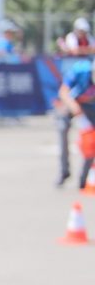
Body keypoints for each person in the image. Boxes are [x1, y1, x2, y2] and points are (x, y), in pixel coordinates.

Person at [54, 56, 95, 188]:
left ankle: (84, 176)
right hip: (72, 103)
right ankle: (64, 170)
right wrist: (74, 108)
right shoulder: (80, 69)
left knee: (91, 140)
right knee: (62, 127)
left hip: (90, 106)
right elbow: (63, 92)